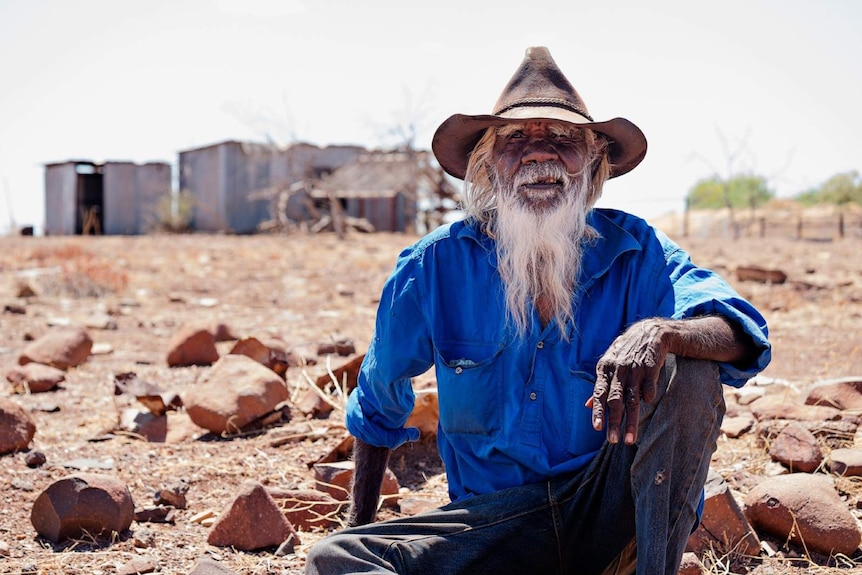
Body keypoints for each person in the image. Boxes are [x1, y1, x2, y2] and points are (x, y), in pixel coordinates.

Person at [306, 46, 771, 575]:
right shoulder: (434, 265)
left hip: (610, 513)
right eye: (516, 139)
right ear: (486, 165)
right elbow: (378, 405)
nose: (539, 154)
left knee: (689, 368)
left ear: (594, 162)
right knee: (336, 559)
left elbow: (740, 330)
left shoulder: (637, 251)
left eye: (562, 139)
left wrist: (659, 332)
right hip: (492, 525)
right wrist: (362, 528)